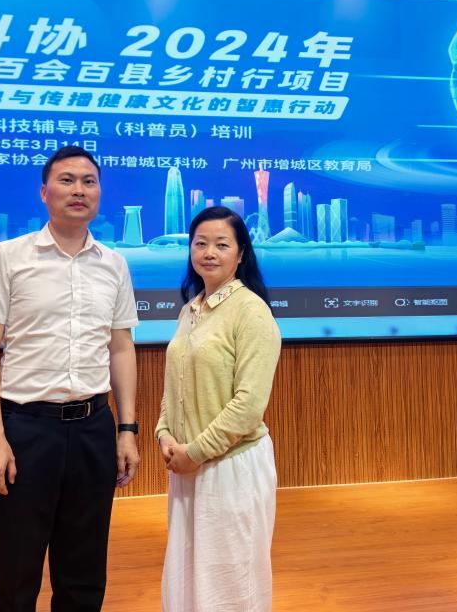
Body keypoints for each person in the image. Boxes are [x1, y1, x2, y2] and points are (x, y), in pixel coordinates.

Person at [0, 145, 140, 612]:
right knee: (14, 575)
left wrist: (126, 429)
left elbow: (121, 347)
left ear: (99, 192)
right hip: (27, 430)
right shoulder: (8, 256)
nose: (79, 190)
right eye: (67, 180)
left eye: (89, 181)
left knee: (84, 576)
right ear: (44, 193)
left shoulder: (114, 264)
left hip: (93, 428)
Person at [155, 205, 282, 612]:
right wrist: (163, 433)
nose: (209, 252)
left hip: (231, 465)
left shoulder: (251, 311)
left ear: (241, 254)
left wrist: (194, 452)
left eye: (222, 245)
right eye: (200, 243)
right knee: (189, 577)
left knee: (230, 584)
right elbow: (175, 384)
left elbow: (248, 406)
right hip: (188, 465)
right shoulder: (190, 309)